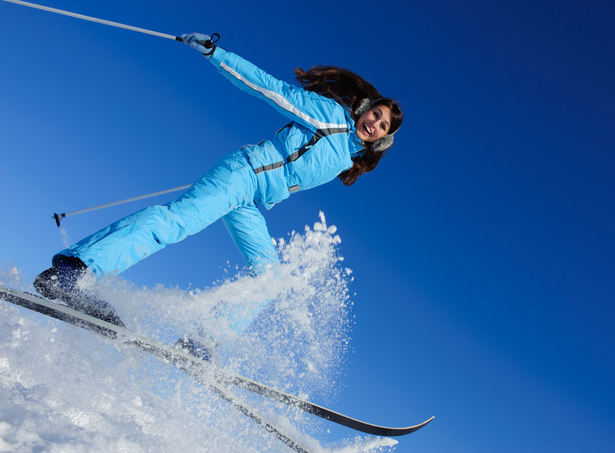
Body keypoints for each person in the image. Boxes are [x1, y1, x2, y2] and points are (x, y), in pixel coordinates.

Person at [34, 33, 403, 355]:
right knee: (178, 222)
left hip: (251, 200)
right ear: (366, 108)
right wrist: (217, 55)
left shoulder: (346, 158)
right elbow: (268, 88)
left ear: (383, 140)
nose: (374, 124)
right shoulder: (329, 116)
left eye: (383, 126)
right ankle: (73, 271)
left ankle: (202, 341)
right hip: (240, 175)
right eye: (376, 114)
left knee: (269, 277)